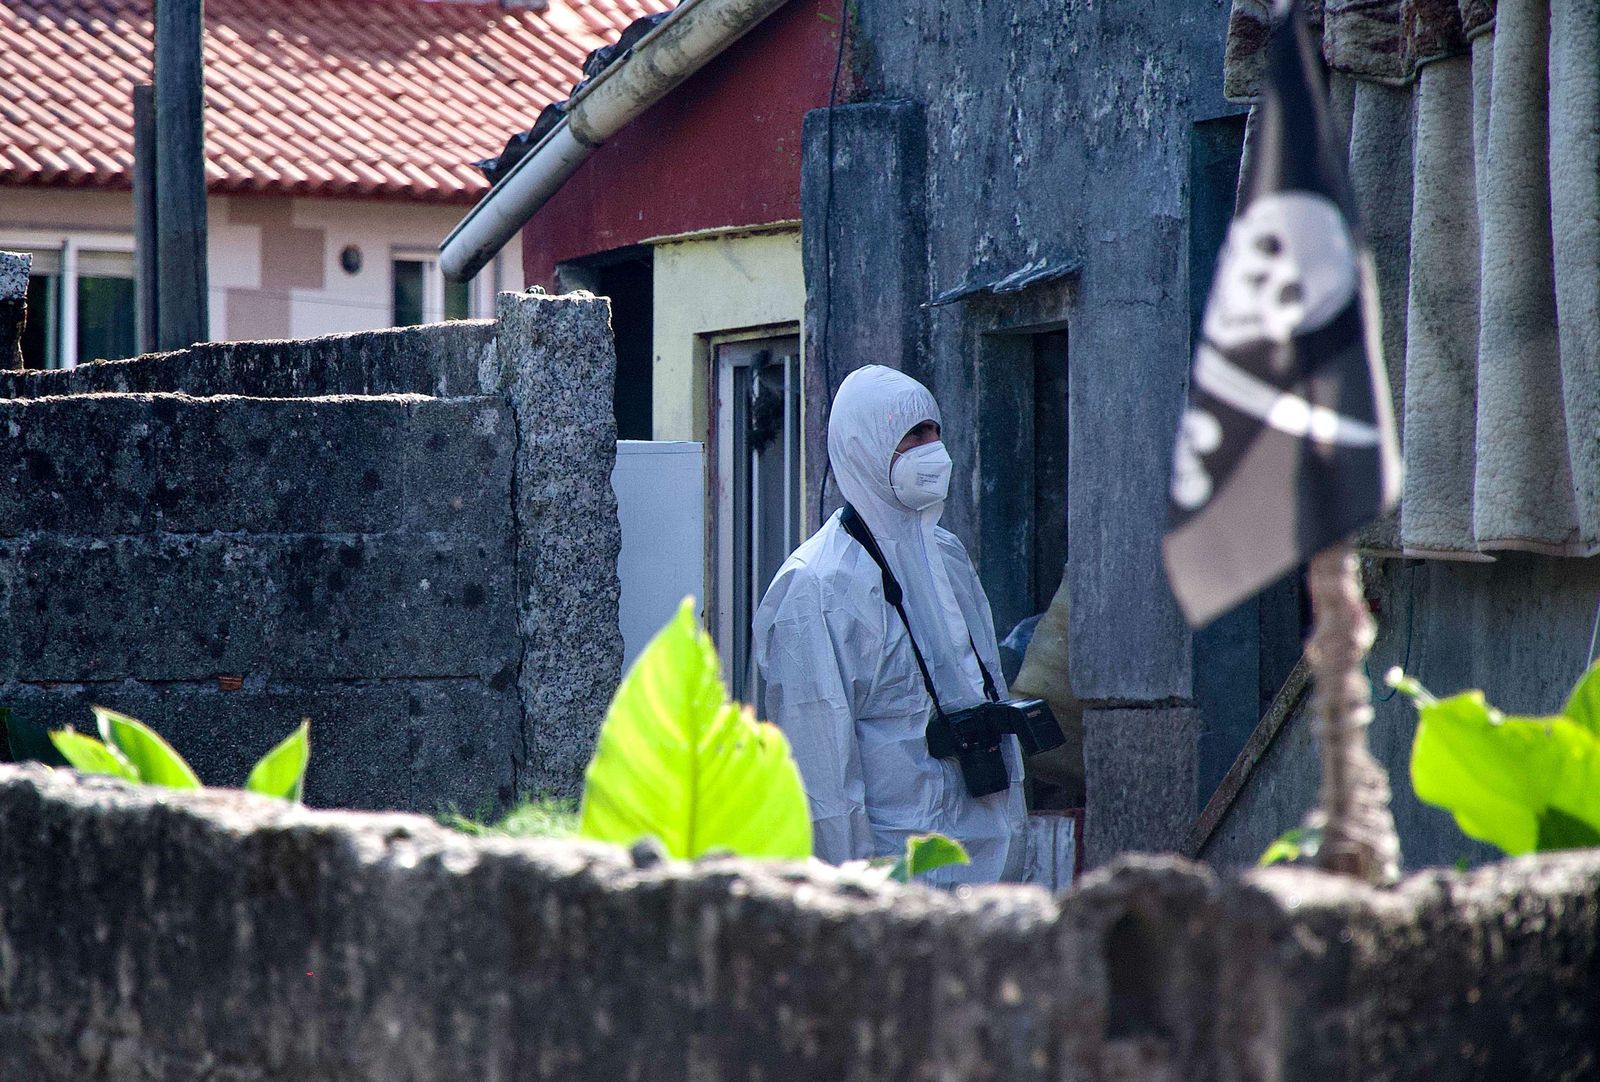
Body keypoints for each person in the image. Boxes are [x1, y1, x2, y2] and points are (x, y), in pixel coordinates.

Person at [753, 365, 1026, 886]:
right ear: (867, 449)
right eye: (913, 436)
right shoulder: (817, 587)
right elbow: (822, 776)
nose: (934, 451)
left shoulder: (946, 556)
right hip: (897, 881)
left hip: (990, 873)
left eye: (935, 432)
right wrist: (851, 903)